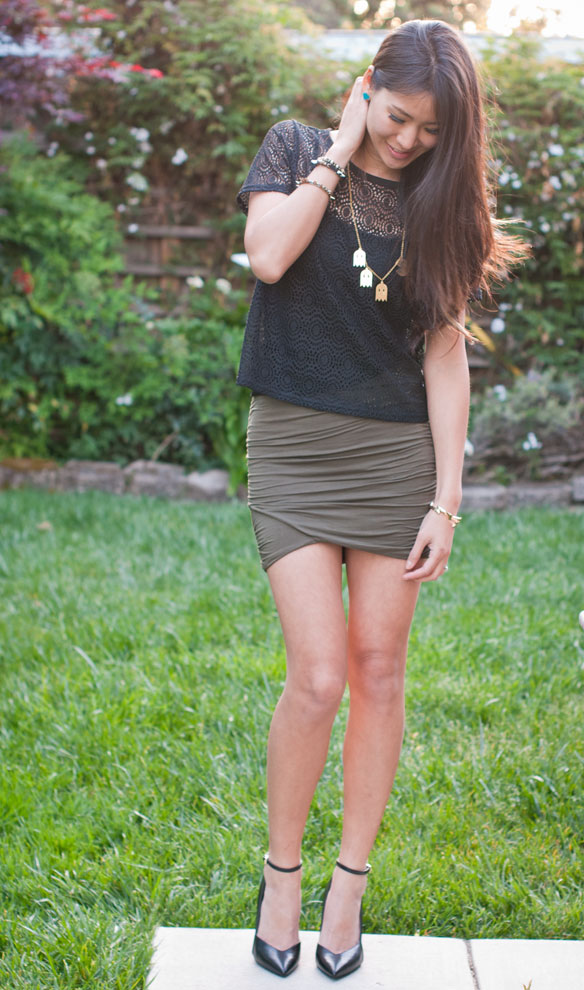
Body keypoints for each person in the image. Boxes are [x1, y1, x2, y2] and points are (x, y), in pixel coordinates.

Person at [235, 18, 525, 980]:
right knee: (317, 678)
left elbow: (445, 357)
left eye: (429, 132)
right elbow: (268, 258)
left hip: (396, 462)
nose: (407, 142)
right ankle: (282, 875)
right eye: (397, 118)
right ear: (367, 87)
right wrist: (340, 156)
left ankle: (347, 888)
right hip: (293, 447)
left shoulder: (445, 208)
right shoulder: (292, 147)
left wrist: (447, 499)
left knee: (379, 672)